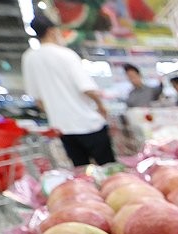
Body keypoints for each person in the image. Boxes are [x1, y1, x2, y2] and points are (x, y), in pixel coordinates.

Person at [22, 14, 115, 166]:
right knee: (109, 169)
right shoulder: (65, 54)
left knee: (82, 173)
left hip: (63, 128)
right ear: (52, 31)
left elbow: (38, 100)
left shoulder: (29, 58)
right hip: (88, 124)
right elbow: (87, 88)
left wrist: (57, 113)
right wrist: (101, 106)